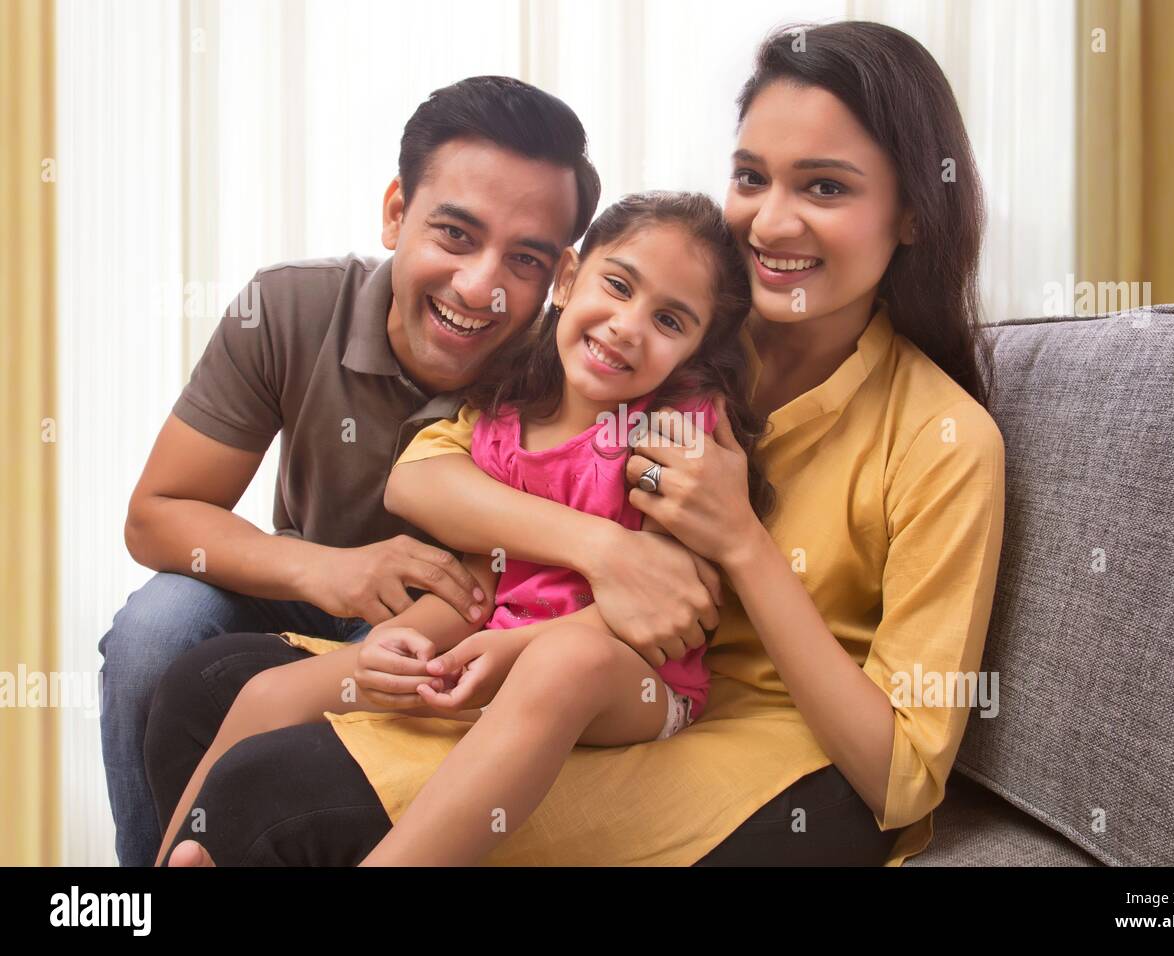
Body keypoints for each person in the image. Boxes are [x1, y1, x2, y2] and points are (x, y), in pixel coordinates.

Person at [145, 20, 1006, 867]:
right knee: (198, 688)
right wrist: (599, 553)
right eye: (752, 176)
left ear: (914, 215)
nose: (771, 222)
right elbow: (430, 469)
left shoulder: (941, 439)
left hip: (718, 735)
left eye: (825, 188)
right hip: (557, 661)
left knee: (269, 796)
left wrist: (741, 542)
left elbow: (901, 781)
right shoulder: (662, 351)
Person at [100, 75, 732, 867]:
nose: (480, 287)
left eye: (525, 258)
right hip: (319, 583)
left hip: (476, 616)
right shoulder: (291, 308)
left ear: (556, 273)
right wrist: (328, 569)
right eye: (457, 235)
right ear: (397, 212)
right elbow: (156, 514)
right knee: (158, 630)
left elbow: (518, 579)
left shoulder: (560, 369)